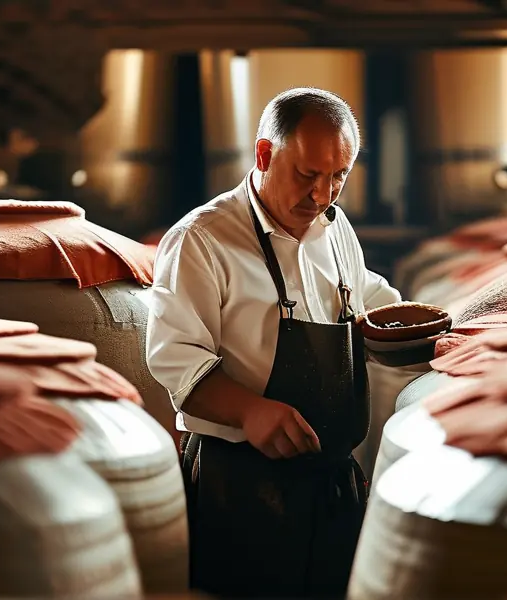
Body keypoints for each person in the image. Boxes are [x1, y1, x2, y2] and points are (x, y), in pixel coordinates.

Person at [146, 87, 401, 598]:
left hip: (331, 482)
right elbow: (174, 359)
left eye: (339, 177)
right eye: (308, 175)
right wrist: (249, 411)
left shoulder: (332, 225)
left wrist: (413, 327)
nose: (323, 195)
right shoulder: (202, 240)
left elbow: (364, 291)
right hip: (238, 486)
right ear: (264, 154)